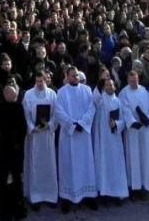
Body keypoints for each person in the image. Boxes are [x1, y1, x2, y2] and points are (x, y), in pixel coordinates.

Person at [54, 67, 97, 213]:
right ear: (67, 76)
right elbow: (58, 111)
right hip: (68, 136)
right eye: (73, 76)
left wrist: (82, 123)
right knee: (68, 166)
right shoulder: (61, 92)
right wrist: (72, 124)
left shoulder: (87, 90)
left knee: (85, 165)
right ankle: (67, 199)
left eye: (77, 75)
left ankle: (88, 196)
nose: (76, 78)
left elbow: (92, 108)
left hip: (83, 135)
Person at [22, 71, 58, 208]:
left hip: (48, 135)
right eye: (37, 81)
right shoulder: (28, 94)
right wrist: (32, 127)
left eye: (41, 81)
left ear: (46, 80)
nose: (39, 84)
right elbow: (26, 114)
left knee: (48, 165)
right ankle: (35, 197)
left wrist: (49, 125)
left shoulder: (52, 95)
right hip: (35, 136)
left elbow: (56, 113)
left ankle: (50, 196)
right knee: (35, 165)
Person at [118, 69, 149, 198]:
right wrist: (133, 122)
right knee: (133, 157)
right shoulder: (124, 92)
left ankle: (145, 186)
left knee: (146, 156)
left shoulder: (144, 91)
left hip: (145, 129)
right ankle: (134, 188)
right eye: (131, 80)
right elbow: (125, 109)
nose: (133, 82)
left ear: (138, 79)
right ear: (128, 80)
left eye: (135, 80)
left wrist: (148, 119)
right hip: (133, 130)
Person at [0, 85, 27, 221]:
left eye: (14, 94)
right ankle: (4, 211)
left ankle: (18, 209)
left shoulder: (19, 107)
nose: (13, 96)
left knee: (17, 181)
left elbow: (23, 128)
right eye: (10, 94)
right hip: (3, 151)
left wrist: (17, 143)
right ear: (5, 95)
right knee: (3, 182)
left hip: (16, 151)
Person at [92, 77, 128, 203]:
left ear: (115, 87)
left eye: (111, 85)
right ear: (104, 87)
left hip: (115, 140)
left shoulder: (118, 102)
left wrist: (117, 124)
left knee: (116, 166)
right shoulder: (100, 101)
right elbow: (94, 97)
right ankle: (104, 193)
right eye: (107, 85)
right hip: (103, 140)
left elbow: (124, 120)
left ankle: (117, 193)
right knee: (104, 165)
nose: (109, 87)